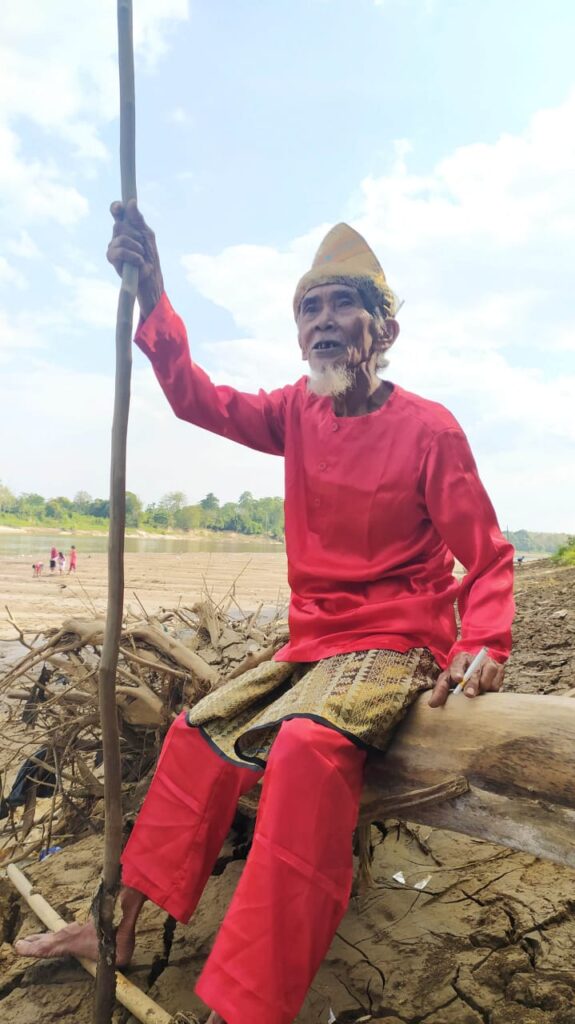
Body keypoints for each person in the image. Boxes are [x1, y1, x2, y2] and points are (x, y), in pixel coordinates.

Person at [15, 201, 515, 1024]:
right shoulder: (294, 411)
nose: (322, 322)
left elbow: (487, 554)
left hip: (395, 639)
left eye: (342, 305)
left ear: (383, 330)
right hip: (310, 642)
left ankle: (250, 1005)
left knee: (305, 754)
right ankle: (117, 928)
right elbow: (195, 398)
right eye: (308, 308)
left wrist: (485, 639)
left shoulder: (430, 429)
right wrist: (153, 294)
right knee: (193, 736)